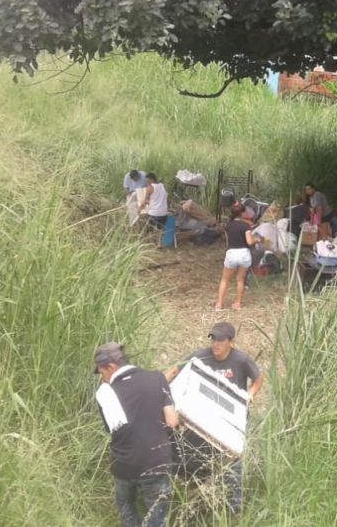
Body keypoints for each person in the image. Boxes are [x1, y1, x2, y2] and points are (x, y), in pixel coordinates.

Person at [165, 322, 263, 515]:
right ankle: (194, 490)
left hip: (233, 417)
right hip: (204, 414)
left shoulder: (241, 360)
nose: (215, 344)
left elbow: (258, 378)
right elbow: (176, 370)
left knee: (235, 460)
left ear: (231, 342)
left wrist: (250, 393)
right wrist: (157, 384)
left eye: (220, 340)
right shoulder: (200, 356)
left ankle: (234, 507)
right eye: (213, 339)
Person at [93, 342, 180, 527]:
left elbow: (115, 429)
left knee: (126, 505)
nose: (103, 379)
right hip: (156, 462)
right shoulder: (157, 378)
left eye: (102, 373)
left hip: (125, 465)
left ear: (111, 367)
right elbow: (172, 421)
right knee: (156, 518)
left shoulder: (105, 393)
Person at [215, 202, 254, 311]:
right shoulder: (246, 226)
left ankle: (219, 304)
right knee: (240, 280)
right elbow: (249, 242)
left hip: (231, 253)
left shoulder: (228, 226)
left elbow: (228, 241)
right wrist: (256, 239)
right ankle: (237, 304)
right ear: (243, 213)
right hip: (244, 254)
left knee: (224, 279)